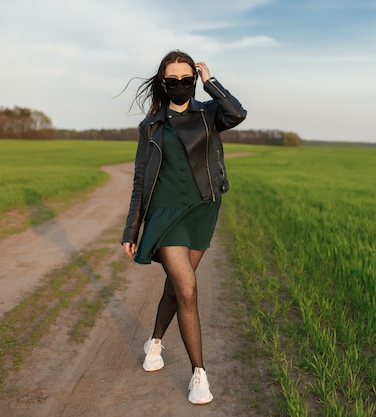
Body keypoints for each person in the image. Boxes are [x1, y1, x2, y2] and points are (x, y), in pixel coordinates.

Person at [121, 50, 246, 405]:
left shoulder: (208, 114)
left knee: (177, 288)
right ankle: (199, 374)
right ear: (163, 82)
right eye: (172, 80)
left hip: (202, 209)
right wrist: (132, 229)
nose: (179, 86)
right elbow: (140, 178)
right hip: (164, 213)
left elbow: (237, 113)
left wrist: (212, 82)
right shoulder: (151, 126)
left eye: (186, 79)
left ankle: (154, 341)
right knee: (188, 290)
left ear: (194, 79)